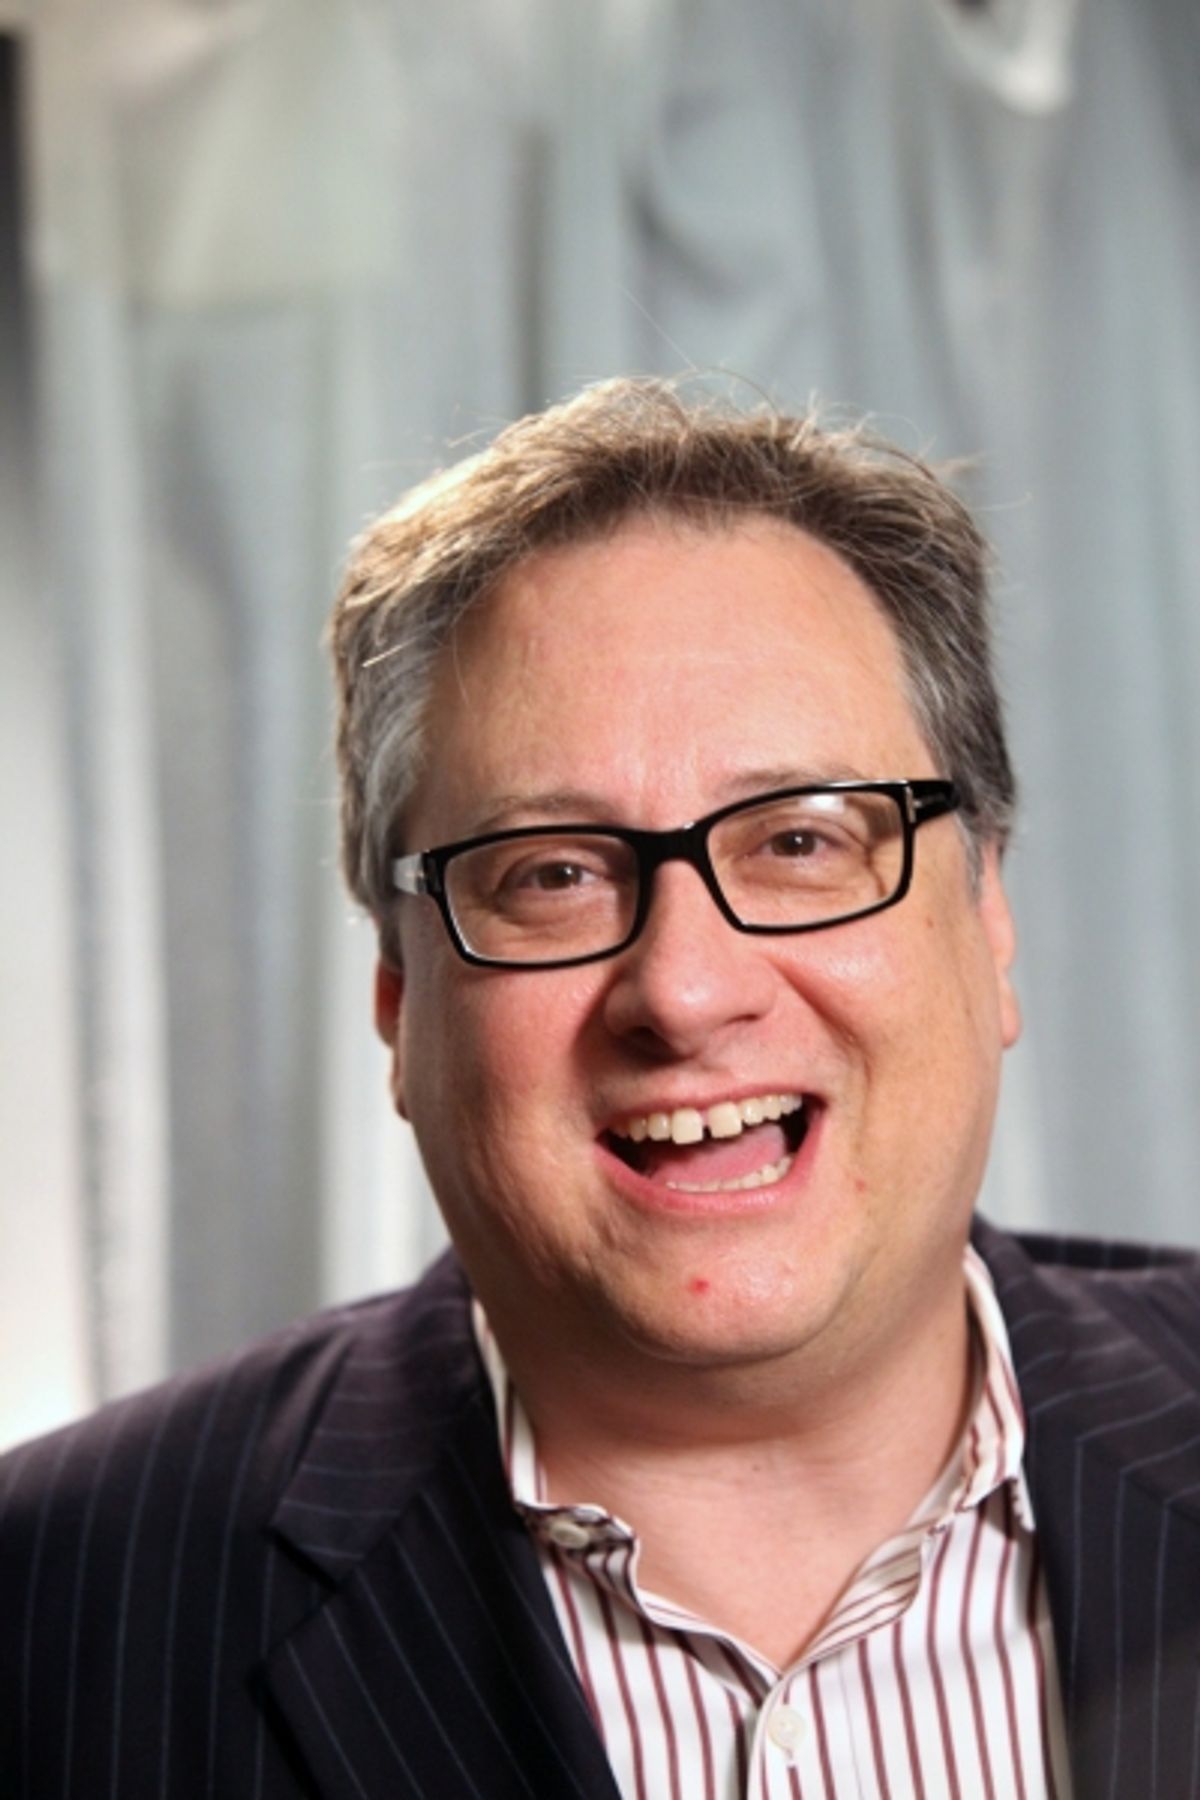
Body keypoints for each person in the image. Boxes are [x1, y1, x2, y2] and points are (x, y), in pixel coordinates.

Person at [3, 379, 1198, 1800]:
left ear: (987, 919)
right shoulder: (47, 1610)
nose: (686, 991)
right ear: (399, 1002)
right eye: (552, 877)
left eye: (802, 844)